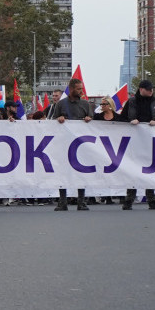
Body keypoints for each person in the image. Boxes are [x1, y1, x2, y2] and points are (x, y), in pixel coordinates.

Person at [121, 79, 155, 209]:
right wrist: (130, 121)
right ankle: (129, 199)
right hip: (134, 143)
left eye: (151, 89)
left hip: (150, 142)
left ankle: (151, 198)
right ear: (141, 89)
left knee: (150, 170)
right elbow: (121, 120)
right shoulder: (131, 102)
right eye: (148, 89)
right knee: (133, 170)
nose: (151, 91)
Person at [53, 77, 94, 210]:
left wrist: (89, 119)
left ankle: (81, 202)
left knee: (81, 173)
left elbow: (94, 123)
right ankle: (62, 202)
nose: (81, 91)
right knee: (63, 172)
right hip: (64, 144)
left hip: (81, 145)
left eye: (81, 88)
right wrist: (58, 119)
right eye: (78, 89)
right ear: (71, 89)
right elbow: (52, 123)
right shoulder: (61, 104)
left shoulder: (86, 105)